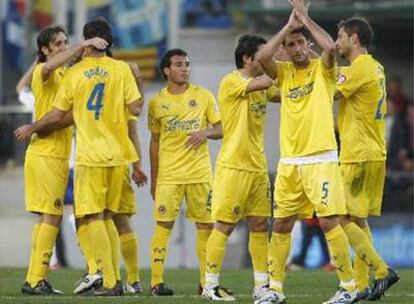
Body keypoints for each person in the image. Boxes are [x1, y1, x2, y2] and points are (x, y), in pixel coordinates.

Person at [15, 19, 141, 296]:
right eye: (58, 44)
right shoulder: (44, 71)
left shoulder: (68, 75)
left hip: (62, 155)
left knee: (57, 217)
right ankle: (38, 279)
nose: (65, 47)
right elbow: (57, 112)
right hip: (46, 152)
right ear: (46, 50)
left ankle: (79, 273)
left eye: (65, 41)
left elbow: (71, 114)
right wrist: (84, 45)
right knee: (56, 217)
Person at [255, 0, 358, 303]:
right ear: (284, 50)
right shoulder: (284, 73)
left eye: (301, 42)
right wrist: (288, 25)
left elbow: (330, 49)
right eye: (291, 44)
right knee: (282, 224)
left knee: (329, 222)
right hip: (290, 162)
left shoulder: (322, 70)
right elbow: (262, 57)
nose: (297, 48)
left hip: (322, 158)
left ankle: (348, 288)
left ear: (307, 44)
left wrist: (305, 18)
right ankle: (274, 290)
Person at [202, 34, 279, 302]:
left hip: (257, 167)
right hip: (233, 166)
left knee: (260, 225)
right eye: (263, 54)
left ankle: (261, 287)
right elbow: (273, 79)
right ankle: (210, 285)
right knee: (224, 225)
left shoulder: (262, 87)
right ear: (247, 58)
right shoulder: (232, 81)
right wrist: (286, 62)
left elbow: (285, 90)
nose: (268, 58)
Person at [335, 17, 400, 300]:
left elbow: (330, 91)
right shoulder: (375, 66)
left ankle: (383, 271)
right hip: (374, 152)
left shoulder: (358, 67)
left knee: (340, 217)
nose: (336, 43)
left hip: (357, 154)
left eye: (339, 37)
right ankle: (363, 285)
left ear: (353, 38)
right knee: (358, 221)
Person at [148, 48, 222, 296]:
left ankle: (206, 283)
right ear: (167, 70)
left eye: (187, 64)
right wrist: (154, 178)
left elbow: (221, 128)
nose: (185, 69)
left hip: (200, 175)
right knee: (163, 227)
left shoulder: (203, 96)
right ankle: (156, 282)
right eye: (179, 64)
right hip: (169, 176)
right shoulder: (157, 102)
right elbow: (155, 142)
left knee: (206, 228)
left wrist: (205, 132)